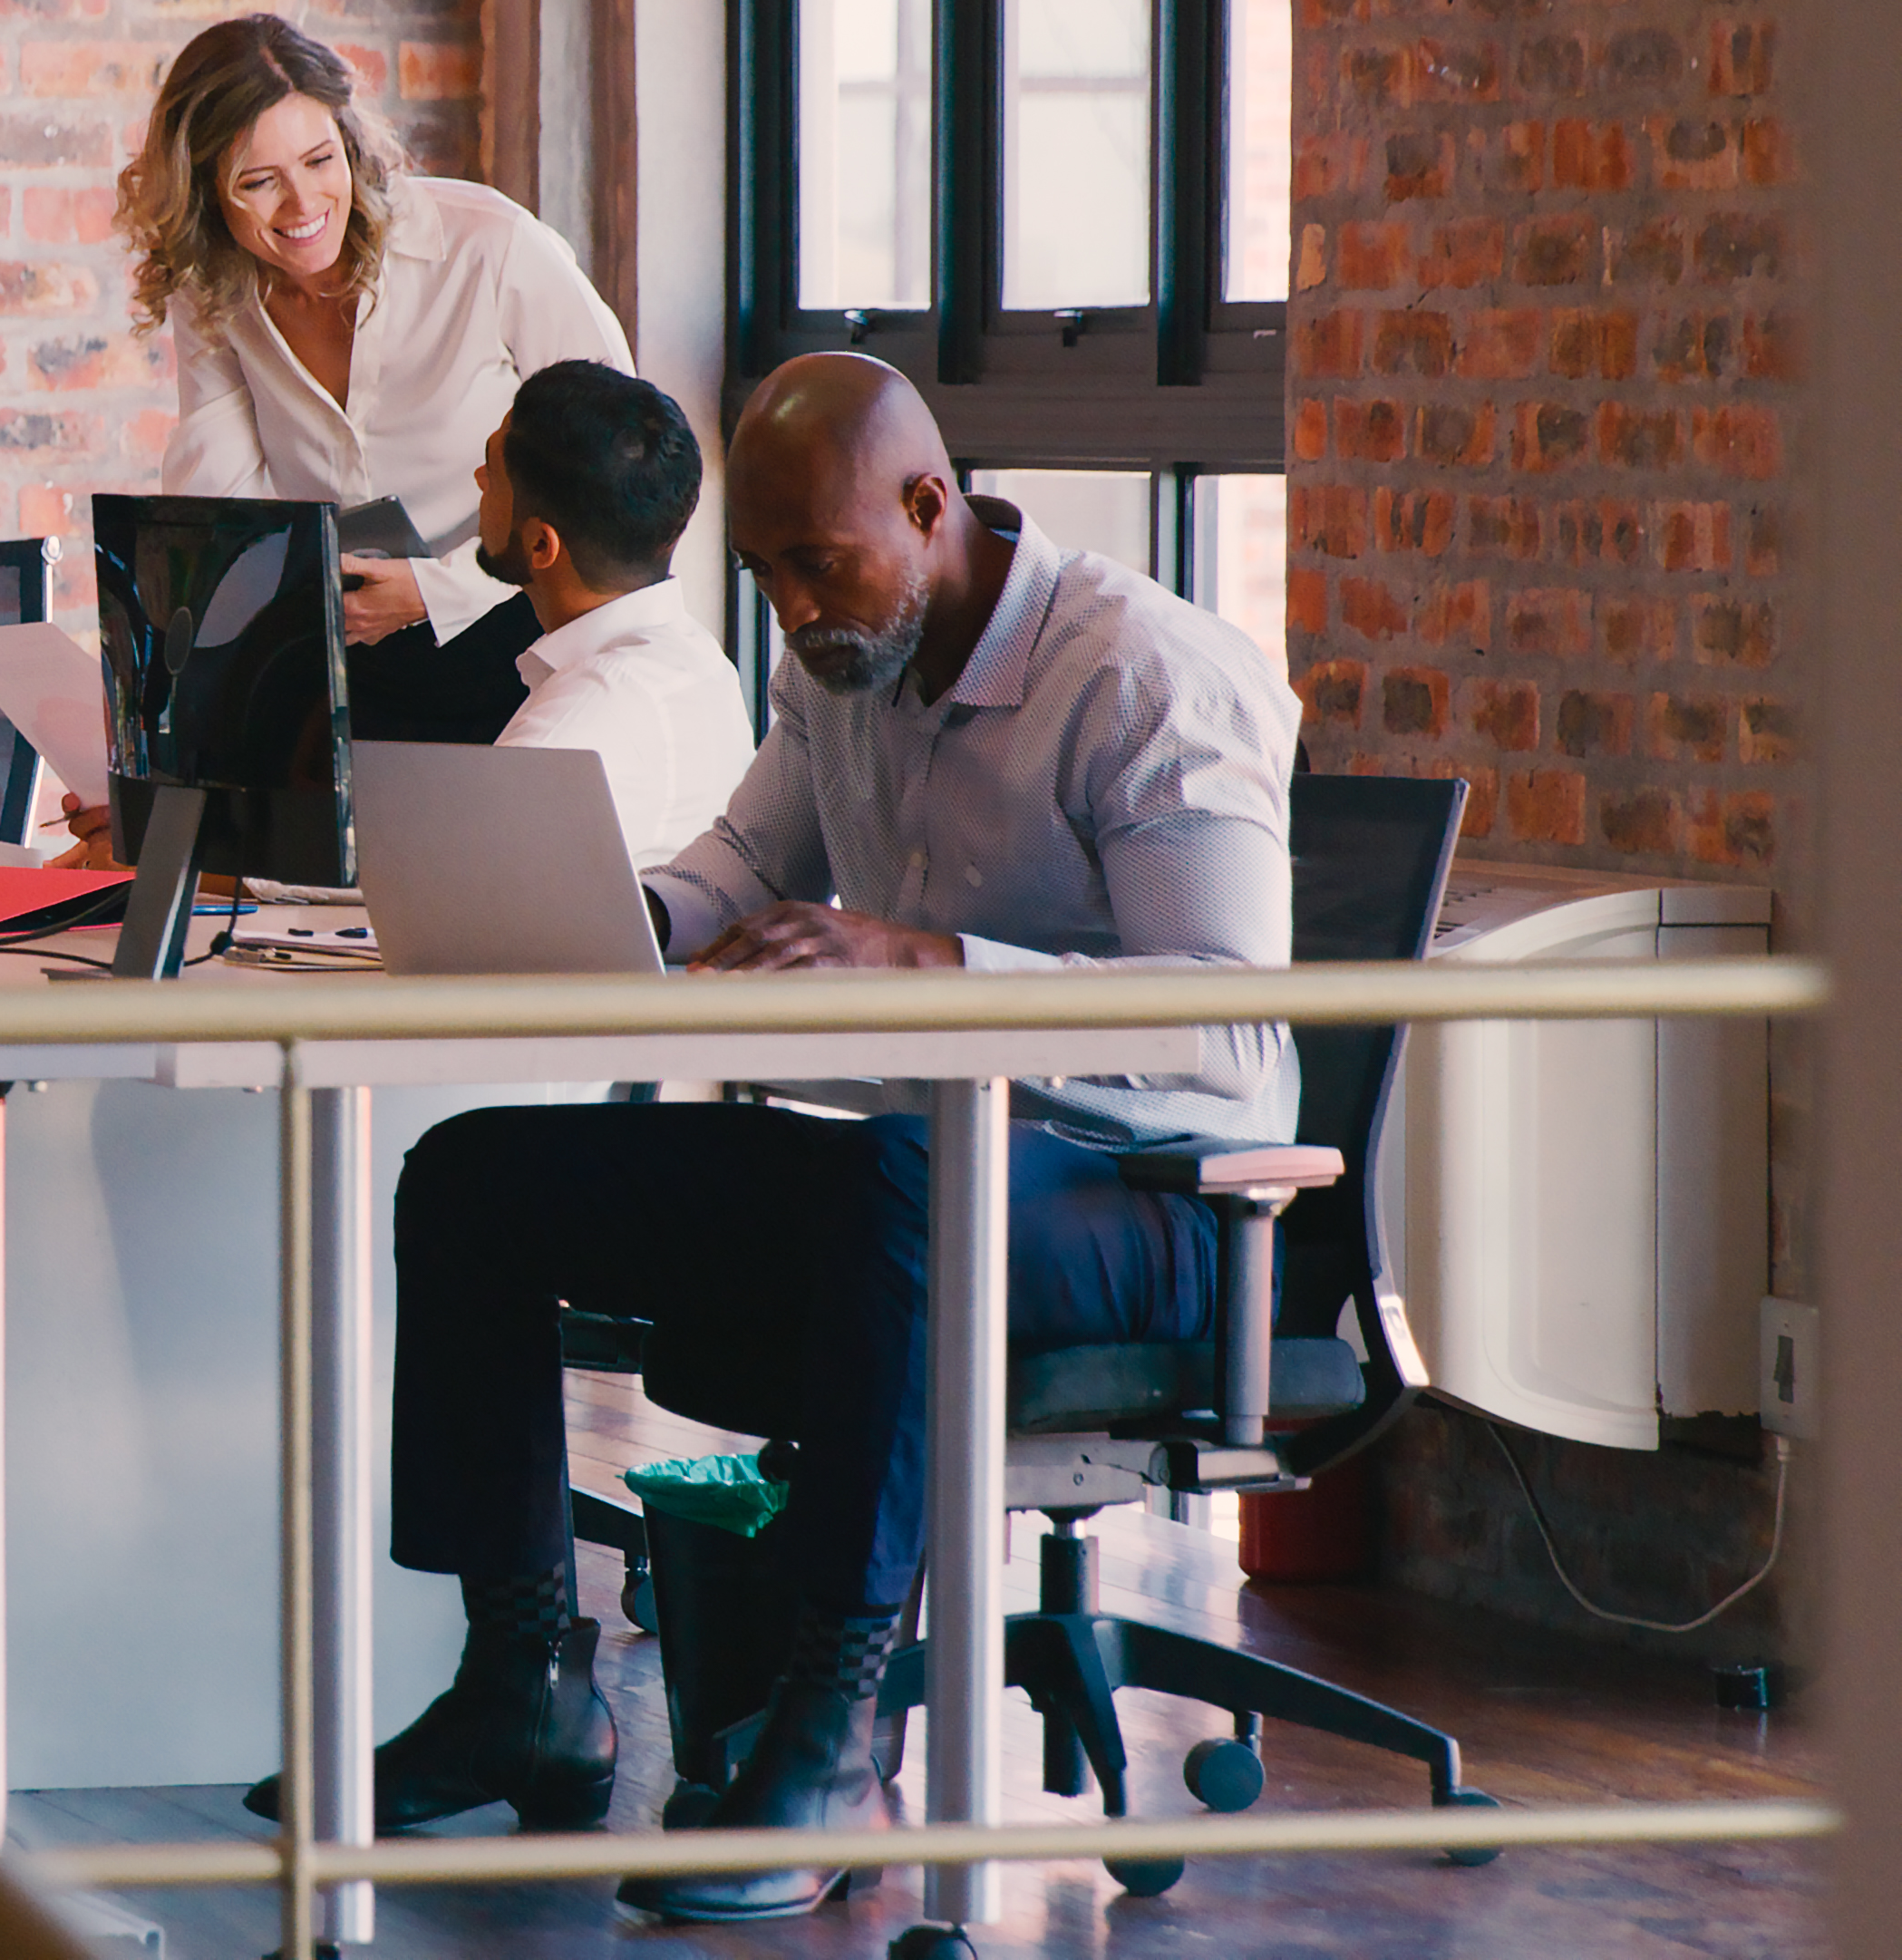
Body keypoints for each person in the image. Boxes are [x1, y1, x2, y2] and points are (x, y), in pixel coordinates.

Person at [355, 353, 1298, 1922]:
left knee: (901, 1189)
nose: (792, 608)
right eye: (763, 573)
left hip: (1154, 1200)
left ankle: (834, 1734)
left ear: (929, 507)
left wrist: (928, 959)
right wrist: (614, 915)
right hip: (909, 1182)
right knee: (479, 1179)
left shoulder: (1144, 678)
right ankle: (521, 1682)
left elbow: (1227, 1026)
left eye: (818, 563)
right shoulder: (842, 665)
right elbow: (742, 861)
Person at [125, 13, 632, 746]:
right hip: (343, 651)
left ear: (350, 141)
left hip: (524, 634)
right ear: (203, 192)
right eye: (259, 182)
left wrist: (437, 591)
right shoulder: (211, 293)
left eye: (319, 160)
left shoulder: (489, 246)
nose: (303, 205)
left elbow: (620, 472)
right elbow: (223, 506)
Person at [466, 358, 753, 869]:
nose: (479, 478)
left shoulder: (561, 740)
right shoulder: (703, 663)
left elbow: (459, 902)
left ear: (541, 545)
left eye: (494, 470)